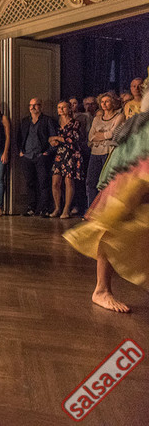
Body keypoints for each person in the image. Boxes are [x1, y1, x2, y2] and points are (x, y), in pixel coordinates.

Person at [64, 85, 149, 313]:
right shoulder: (143, 125)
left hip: (135, 171)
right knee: (112, 223)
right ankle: (101, 290)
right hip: (130, 173)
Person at [17, 98, 58, 216]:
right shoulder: (25, 121)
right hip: (27, 156)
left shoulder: (47, 120)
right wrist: (21, 151)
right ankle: (31, 207)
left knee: (43, 182)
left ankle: (44, 208)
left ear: (41, 106)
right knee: (30, 183)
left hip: (41, 156)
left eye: (36, 105)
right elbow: (19, 137)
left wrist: (48, 152)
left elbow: (53, 137)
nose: (33, 107)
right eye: (31, 105)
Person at [86, 92, 125, 206]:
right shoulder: (96, 119)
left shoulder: (119, 117)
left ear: (113, 102)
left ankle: (107, 208)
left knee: (108, 183)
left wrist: (99, 135)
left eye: (107, 101)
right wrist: (105, 136)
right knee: (91, 181)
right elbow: (91, 137)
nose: (104, 104)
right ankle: (92, 208)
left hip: (109, 153)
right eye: (102, 102)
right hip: (95, 153)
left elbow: (113, 134)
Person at [47, 100, 83, 218]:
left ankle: (67, 209)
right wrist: (54, 140)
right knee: (55, 182)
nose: (61, 110)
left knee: (69, 181)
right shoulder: (56, 123)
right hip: (59, 153)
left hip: (71, 154)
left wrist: (57, 138)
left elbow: (73, 139)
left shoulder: (75, 123)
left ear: (69, 108)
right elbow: (51, 139)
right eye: (59, 107)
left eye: (63, 107)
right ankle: (57, 207)